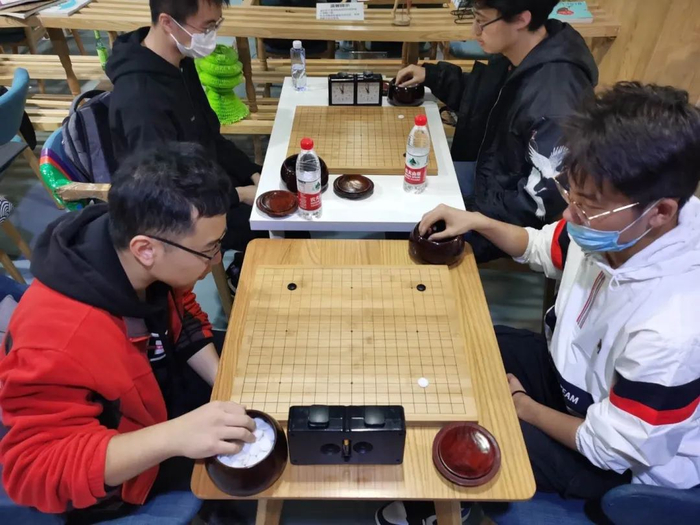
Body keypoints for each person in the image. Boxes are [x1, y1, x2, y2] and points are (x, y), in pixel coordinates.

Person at [378, 82, 700, 524]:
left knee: (468, 429)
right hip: (569, 379)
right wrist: (477, 221)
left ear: (660, 212)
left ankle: (444, 503)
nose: (570, 215)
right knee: (453, 345)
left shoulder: (673, 329)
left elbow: (610, 448)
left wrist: (523, 406)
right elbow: (543, 248)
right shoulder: (620, 226)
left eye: (588, 206)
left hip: (616, 462)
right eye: (572, 195)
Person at [0, 143, 256, 522]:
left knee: (254, 370)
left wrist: (224, 381)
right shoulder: (57, 339)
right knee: (252, 468)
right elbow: (32, 472)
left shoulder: (140, 251)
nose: (216, 259)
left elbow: (183, 315)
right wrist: (174, 436)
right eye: (208, 250)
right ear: (146, 249)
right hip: (124, 466)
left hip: (159, 394)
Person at [395, 0, 598, 262]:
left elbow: (539, 204)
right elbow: (487, 99)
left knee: (405, 227)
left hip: (506, 219)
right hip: (490, 177)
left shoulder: (555, 99)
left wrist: (474, 216)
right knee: (404, 187)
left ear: (522, 19)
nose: (474, 31)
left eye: (481, 21)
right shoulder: (526, 53)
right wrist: (432, 76)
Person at [107, 0, 264, 259]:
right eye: (207, 27)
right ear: (168, 22)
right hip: (180, 210)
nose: (212, 36)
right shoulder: (141, 100)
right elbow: (163, 191)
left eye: (216, 25)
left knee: (286, 189)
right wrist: (239, 195)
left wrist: (253, 173)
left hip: (207, 178)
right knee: (281, 222)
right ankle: (244, 272)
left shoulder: (180, 62)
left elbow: (210, 136)